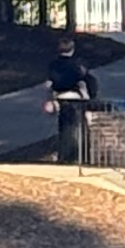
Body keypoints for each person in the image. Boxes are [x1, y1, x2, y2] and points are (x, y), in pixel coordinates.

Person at [45, 35, 95, 164]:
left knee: (64, 127)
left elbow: (49, 84)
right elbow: (84, 80)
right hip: (77, 98)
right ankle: (79, 155)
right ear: (72, 49)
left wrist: (50, 99)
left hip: (60, 98)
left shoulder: (53, 65)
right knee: (79, 127)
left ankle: (64, 154)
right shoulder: (77, 64)